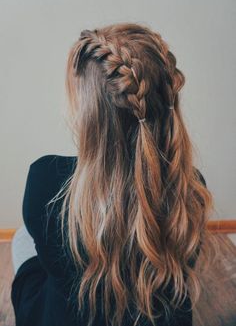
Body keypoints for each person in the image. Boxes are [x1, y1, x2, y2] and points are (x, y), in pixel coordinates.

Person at [11, 22, 216, 326]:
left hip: (65, 316)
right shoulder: (191, 187)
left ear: (87, 111)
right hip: (157, 315)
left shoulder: (44, 181)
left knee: (21, 237)